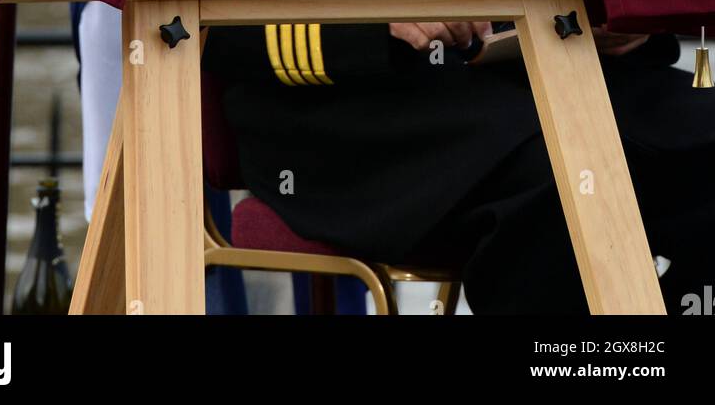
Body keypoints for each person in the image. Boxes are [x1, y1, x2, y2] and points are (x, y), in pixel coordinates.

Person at [203, 18, 715, 314]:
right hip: (346, 109)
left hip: (538, 57)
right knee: (558, 174)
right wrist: (370, 22)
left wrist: (615, 11)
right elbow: (210, 26)